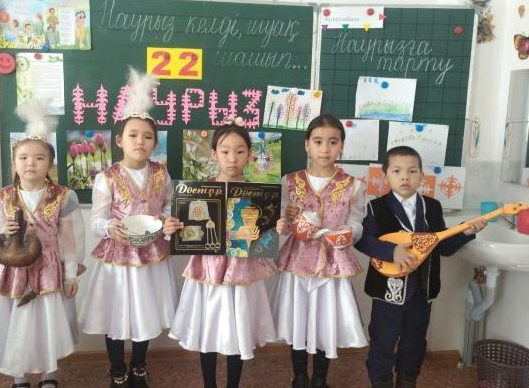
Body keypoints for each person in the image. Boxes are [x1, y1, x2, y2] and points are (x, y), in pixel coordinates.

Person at [0, 99, 85, 388]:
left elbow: (70, 239)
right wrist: (2, 231)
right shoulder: (0, 197)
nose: (31, 163)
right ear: (14, 162)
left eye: (40, 158)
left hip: (49, 269)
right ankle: (19, 375)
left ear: (50, 164)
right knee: (14, 321)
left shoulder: (64, 197)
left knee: (46, 322)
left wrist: (70, 274)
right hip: (12, 270)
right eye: (24, 157)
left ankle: (48, 374)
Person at [355, 146, 487, 388]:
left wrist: (466, 232)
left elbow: (442, 247)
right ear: (385, 175)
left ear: (421, 176)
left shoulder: (432, 207)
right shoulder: (376, 207)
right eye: (397, 171)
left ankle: (408, 380)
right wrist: (392, 251)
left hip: (422, 291)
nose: (405, 177)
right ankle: (380, 380)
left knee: (415, 343)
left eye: (412, 171)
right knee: (383, 340)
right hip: (388, 291)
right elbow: (363, 241)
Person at [79, 69, 177, 388]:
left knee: (144, 312)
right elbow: (96, 219)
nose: (140, 141)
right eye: (133, 135)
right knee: (117, 313)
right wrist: (109, 227)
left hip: (152, 254)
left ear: (155, 142)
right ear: (119, 140)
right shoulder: (106, 177)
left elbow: (168, 206)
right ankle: (116, 367)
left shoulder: (161, 173)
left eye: (147, 136)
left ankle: (138, 365)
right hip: (118, 258)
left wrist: (167, 222)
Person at [164, 116, 276, 388]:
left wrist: (276, 227)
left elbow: (265, 234)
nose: (232, 158)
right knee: (208, 327)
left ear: (249, 154)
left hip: (242, 270)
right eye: (225, 151)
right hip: (208, 270)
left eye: (240, 151)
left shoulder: (259, 194)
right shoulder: (197, 191)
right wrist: (170, 228)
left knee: (239, 327)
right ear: (214, 154)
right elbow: (184, 228)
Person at [271, 113, 367, 388]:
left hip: (332, 264)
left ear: (341, 146)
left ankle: (320, 379)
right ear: (307, 145)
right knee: (298, 319)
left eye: (333, 142)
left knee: (326, 321)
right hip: (297, 263)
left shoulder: (353, 185)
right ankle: (300, 377)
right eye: (318, 141)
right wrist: (284, 221)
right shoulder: (290, 181)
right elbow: (282, 223)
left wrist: (348, 232)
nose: (325, 148)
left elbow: (356, 222)